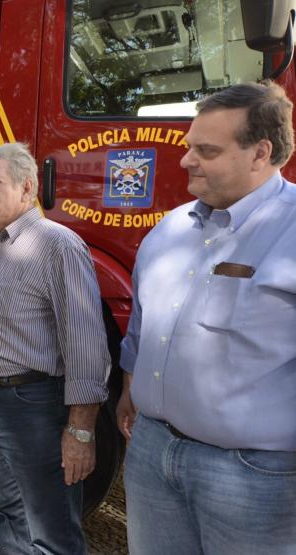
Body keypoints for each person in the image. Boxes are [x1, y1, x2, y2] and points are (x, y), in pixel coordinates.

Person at [117, 81, 296, 554]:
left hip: (252, 475)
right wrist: (129, 389)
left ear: (260, 153)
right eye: (190, 146)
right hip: (153, 453)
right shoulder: (169, 228)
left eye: (206, 150)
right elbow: (141, 325)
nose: (185, 160)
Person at [0, 143, 110, 554]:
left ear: (27, 188)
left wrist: (80, 431)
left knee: (51, 530)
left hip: (34, 406)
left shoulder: (56, 244)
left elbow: (85, 347)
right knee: (9, 516)